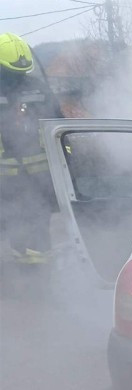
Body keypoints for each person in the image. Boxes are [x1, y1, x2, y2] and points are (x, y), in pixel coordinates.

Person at [0, 33, 63, 281]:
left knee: (27, 232)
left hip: (15, 183)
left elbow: (58, 130)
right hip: (38, 181)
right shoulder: (39, 87)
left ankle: (29, 282)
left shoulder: (36, 89)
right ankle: (35, 282)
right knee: (34, 231)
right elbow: (60, 128)